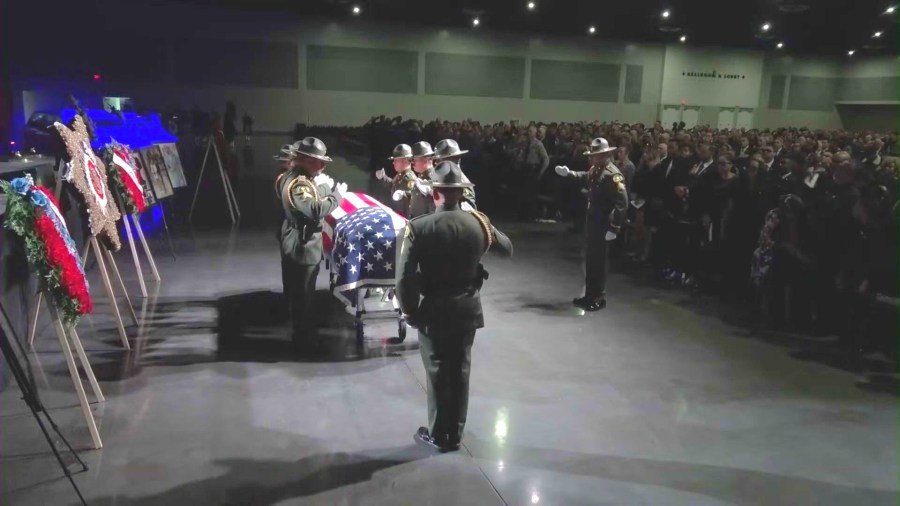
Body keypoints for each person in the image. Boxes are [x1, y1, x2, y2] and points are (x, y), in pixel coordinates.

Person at [396, 160, 513, 453]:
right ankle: (455, 434)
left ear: (434, 192)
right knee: (460, 371)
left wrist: (409, 311)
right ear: (461, 192)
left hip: (433, 310)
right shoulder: (478, 222)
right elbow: (507, 248)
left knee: (437, 372)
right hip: (467, 309)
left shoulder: (418, 228)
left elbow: (404, 278)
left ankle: (438, 434)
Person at [276, 137, 347, 350]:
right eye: (318, 161)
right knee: (304, 296)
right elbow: (314, 210)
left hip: (294, 239)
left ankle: (301, 331)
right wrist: (336, 197)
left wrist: (324, 190)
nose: (323, 166)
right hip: (303, 245)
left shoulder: (293, 177)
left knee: (297, 293)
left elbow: (311, 196)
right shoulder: (299, 182)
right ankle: (304, 339)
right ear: (304, 160)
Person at [555, 137, 629, 311]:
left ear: (605, 155)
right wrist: (570, 173)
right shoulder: (596, 169)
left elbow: (622, 203)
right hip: (593, 222)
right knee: (590, 261)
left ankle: (598, 297)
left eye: (594, 155)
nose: (591, 158)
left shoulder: (613, 174)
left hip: (604, 224)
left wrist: (615, 227)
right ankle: (589, 295)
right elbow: (585, 177)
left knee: (599, 262)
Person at [432, 138, 478, 210]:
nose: (436, 163)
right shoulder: (447, 177)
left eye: (439, 160)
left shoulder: (461, 181)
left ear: (450, 160)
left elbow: (469, 210)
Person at [374, 143, 418, 216]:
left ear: (405, 161)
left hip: (401, 216)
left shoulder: (409, 178)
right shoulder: (401, 175)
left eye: (396, 160)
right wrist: (384, 178)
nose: (393, 163)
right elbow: (393, 185)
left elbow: (408, 203)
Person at [409, 141, 436, 217]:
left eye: (414, 160)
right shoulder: (422, 176)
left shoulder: (435, 178)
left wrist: (430, 194)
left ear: (426, 159)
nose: (412, 163)